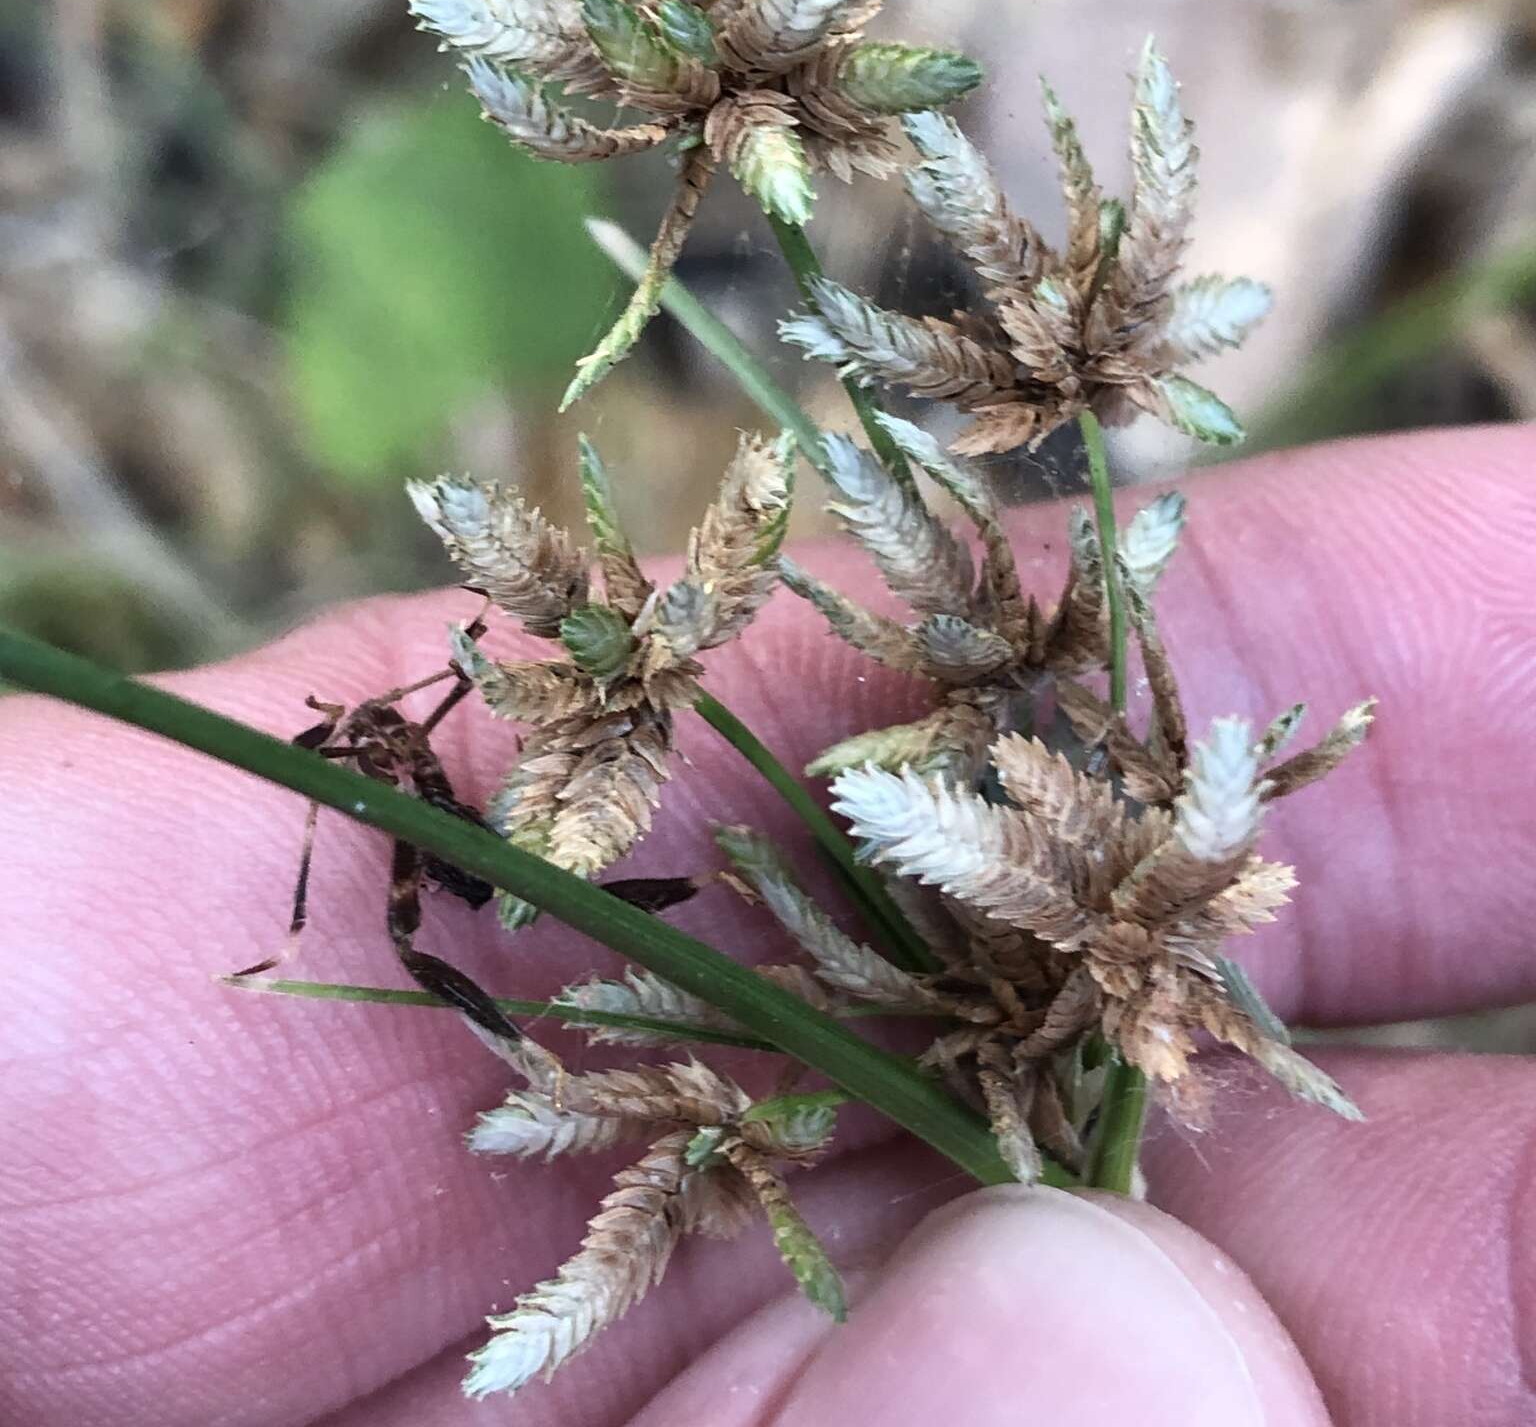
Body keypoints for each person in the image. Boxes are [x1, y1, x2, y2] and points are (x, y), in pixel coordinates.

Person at [4, 424, 1533, 1426]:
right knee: (494, 929)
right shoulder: (374, 795)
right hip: (549, 901)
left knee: (610, 888)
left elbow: (448, 706)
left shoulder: (447, 742)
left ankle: (558, 1029)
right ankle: (524, 1052)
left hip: (572, 859)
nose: (362, 748)